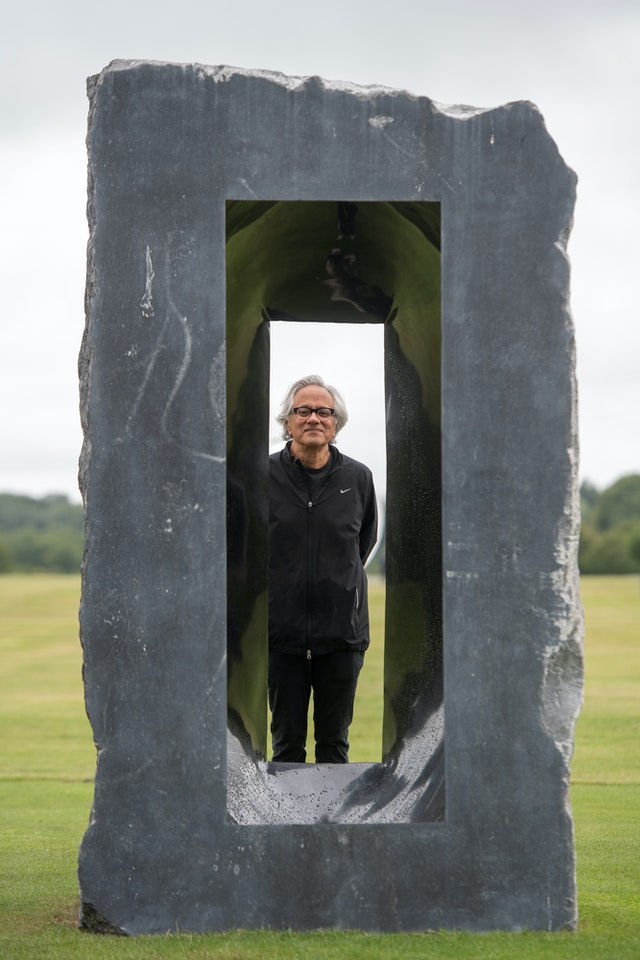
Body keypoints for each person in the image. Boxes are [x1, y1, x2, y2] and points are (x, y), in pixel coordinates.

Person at [268, 374, 378, 763]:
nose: (313, 418)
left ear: (335, 423)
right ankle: (288, 827)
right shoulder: (262, 476)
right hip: (281, 639)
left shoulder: (359, 478)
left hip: (341, 639)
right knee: (286, 749)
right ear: (287, 421)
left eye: (323, 411)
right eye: (303, 411)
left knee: (334, 747)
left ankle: (332, 827)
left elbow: (362, 543)